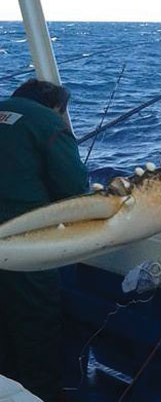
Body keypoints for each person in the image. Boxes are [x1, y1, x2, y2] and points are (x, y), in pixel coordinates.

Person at [0, 79, 89, 401]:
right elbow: (75, 191)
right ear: (56, 107)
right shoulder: (47, 122)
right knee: (34, 327)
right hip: (23, 242)